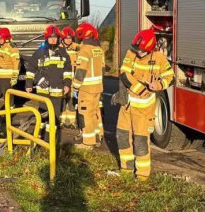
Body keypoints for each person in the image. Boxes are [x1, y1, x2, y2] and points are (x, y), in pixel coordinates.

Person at [116, 28, 173, 181]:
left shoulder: (159, 58)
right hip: (127, 106)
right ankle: (126, 169)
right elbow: (124, 74)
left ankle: (142, 175)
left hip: (143, 109)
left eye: (142, 51)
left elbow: (170, 77)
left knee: (140, 141)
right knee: (122, 136)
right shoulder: (131, 53)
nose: (139, 53)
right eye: (137, 49)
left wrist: (159, 84)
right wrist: (140, 89)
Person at [25, 25, 72, 140]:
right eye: (50, 38)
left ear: (58, 39)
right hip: (43, 91)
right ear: (46, 38)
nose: (53, 40)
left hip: (57, 90)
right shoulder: (39, 52)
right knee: (42, 114)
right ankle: (39, 135)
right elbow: (31, 68)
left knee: (55, 117)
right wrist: (29, 84)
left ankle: (50, 140)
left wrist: (67, 84)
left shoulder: (63, 52)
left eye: (55, 38)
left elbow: (67, 70)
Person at [72, 23, 105, 149]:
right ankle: (98, 136)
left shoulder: (84, 51)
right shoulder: (99, 50)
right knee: (95, 113)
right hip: (97, 87)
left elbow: (81, 71)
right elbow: (102, 69)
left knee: (86, 114)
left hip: (86, 89)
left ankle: (88, 142)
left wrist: (75, 87)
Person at [0, 28, 20, 110]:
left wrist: (14, 77)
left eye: (1, 38)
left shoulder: (12, 48)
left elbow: (16, 63)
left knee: (8, 98)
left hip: (7, 78)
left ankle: (8, 116)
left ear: (6, 39)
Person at [59, 26, 79, 128]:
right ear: (62, 39)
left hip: (73, 79)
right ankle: (62, 120)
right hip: (61, 79)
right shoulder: (58, 49)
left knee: (71, 101)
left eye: (70, 38)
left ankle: (71, 121)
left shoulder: (76, 48)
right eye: (66, 38)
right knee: (62, 100)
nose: (68, 40)